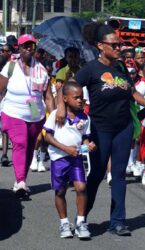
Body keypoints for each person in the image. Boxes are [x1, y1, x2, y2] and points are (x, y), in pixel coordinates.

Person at [55, 23, 145, 236]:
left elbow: (131, 91)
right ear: (101, 46)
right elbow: (67, 87)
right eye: (115, 44)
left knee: (118, 174)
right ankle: (82, 219)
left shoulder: (121, 68)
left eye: (120, 44)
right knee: (97, 173)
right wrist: (61, 108)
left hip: (123, 127)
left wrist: (144, 101)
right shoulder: (90, 69)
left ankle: (117, 221)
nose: (119, 48)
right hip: (100, 129)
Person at [0, 34, 54, 196]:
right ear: (19, 48)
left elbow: (48, 97)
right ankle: (21, 181)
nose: (29, 49)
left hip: (35, 112)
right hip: (13, 111)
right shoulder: (10, 67)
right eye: (25, 46)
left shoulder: (42, 69)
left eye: (31, 46)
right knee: (21, 143)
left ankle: (21, 180)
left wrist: (52, 117)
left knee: (30, 146)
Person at [44, 81, 96, 239]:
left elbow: (85, 137)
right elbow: (47, 136)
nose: (80, 100)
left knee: (81, 187)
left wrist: (89, 145)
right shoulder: (56, 115)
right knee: (60, 191)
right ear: (65, 98)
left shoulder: (85, 117)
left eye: (81, 97)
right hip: (59, 158)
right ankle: (64, 223)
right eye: (76, 97)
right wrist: (65, 148)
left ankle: (81, 222)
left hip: (76, 159)